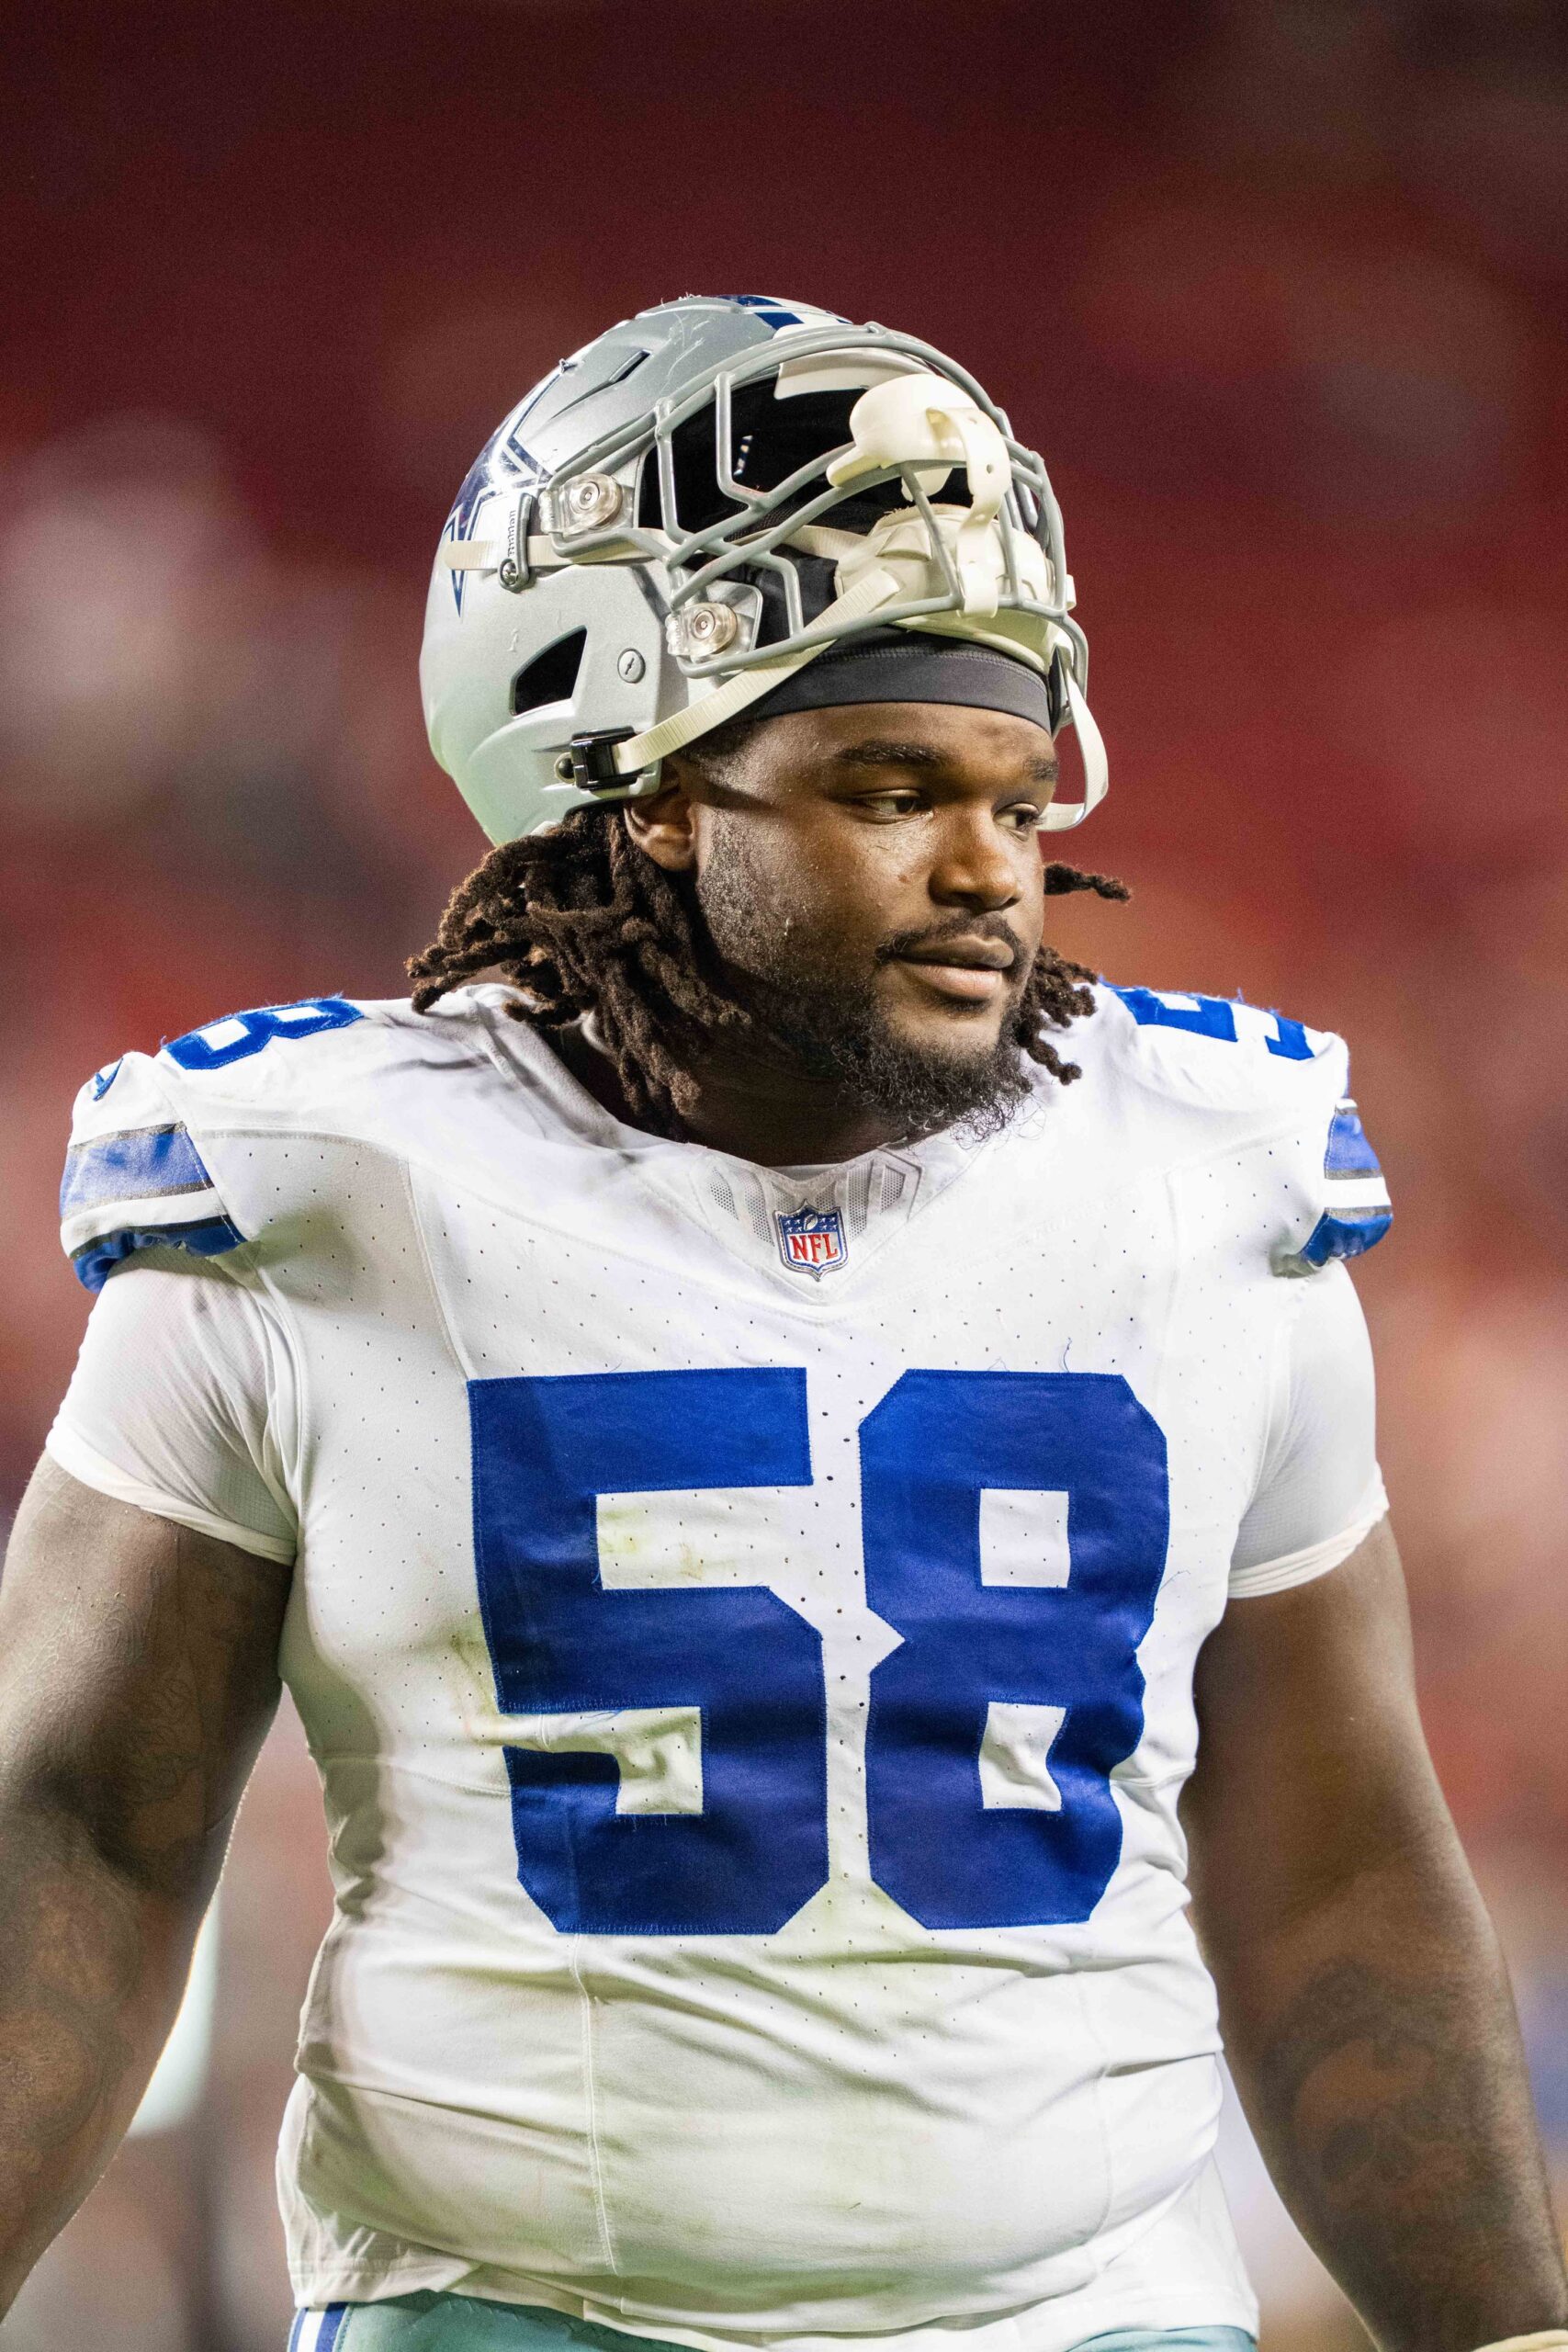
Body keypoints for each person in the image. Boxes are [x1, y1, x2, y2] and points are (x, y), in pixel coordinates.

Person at [0, 296, 1562, 2352]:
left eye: (1012, 794)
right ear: (645, 790)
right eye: (889, 781)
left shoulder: (1208, 1180)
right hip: (516, 2313)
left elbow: (1335, 1863)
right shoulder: (318, 1192)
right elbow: (86, 1835)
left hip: (1087, 2314)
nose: (983, 869)